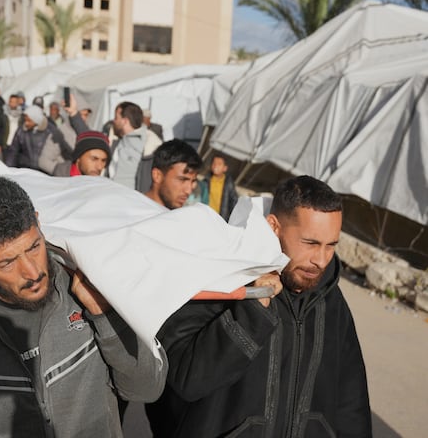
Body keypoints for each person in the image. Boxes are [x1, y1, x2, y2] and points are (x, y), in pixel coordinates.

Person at [0, 175, 167, 437]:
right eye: (7, 263)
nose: (32, 272)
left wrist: (106, 316)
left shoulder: (90, 289)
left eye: (34, 247)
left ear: (38, 221)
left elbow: (147, 388)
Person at [151, 175, 371, 437]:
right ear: (274, 226)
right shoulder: (225, 280)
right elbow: (185, 381)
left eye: (331, 245)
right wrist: (253, 311)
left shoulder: (331, 301)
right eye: (311, 243)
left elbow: (350, 400)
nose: (321, 260)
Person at [4, 105, 69, 171]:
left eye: (29, 120)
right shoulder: (21, 131)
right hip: (25, 169)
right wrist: (8, 170)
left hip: (45, 171)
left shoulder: (51, 131)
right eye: (25, 120)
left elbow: (60, 153)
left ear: (36, 119)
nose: (26, 123)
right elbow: (13, 152)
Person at [143, 139, 203, 210]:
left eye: (193, 181)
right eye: (182, 180)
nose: (188, 191)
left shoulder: (184, 217)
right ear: (157, 176)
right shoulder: (132, 215)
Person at [107, 101, 147, 189]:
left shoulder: (144, 143)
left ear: (125, 121)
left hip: (129, 197)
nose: (114, 121)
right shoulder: (117, 140)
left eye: (116, 117)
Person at [40, 130, 111, 177]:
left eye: (103, 161)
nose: (99, 167)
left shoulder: (100, 187)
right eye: (94, 159)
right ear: (78, 158)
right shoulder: (58, 181)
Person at [203, 154, 239, 222]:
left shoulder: (228, 183)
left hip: (221, 219)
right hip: (206, 216)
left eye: (219, 164)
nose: (216, 166)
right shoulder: (206, 181)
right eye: (214, 163)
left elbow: (234, 201)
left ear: (225, 168)